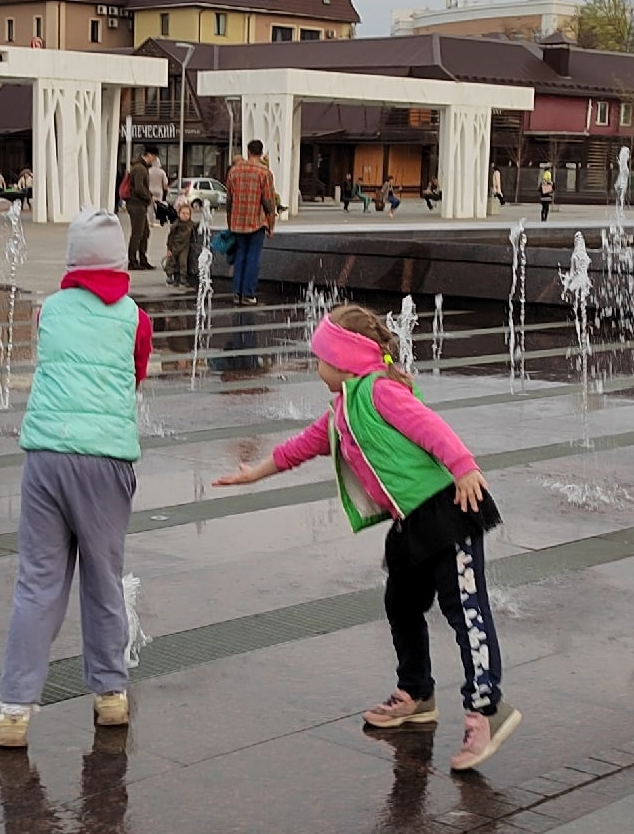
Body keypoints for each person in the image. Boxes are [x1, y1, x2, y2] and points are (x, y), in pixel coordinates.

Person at [214, 304, 519, 772]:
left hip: (447, 511)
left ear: (343, 361)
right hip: (409, 522)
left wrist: (464, 468)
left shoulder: (379, 392)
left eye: (319, 358)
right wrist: (254, 472)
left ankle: (486, 709)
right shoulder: (343, 409)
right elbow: (302, 446)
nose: (315, 367)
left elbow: (431, 427)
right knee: (401, 603)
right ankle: (416, 692)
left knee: (466, 612)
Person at [0, 210, 151, 750]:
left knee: (38, 582)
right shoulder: (135, 318)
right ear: (121, 262)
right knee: (103, 578)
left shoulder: (48, 312)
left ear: (72, 261)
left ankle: (13, 710)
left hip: (47, 458)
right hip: (106, 462)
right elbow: (136, 373)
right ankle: (109, 696)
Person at [223, 138, 277, 306]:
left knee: (240, 256)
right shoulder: (264, 173)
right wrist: (271, 224)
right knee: (253, 258)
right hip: (256, 222)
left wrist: (230, 221)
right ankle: (248, 294)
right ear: (261, 153)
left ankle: (236, 293)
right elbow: (268, 201)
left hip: (237, 222)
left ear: (248, 152)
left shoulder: (234, 171)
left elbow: (229, 200)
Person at [122, 148, 159, 270]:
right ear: (148, 155)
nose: (154, 160)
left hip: (139, 204)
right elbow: (138, 188)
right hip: (136, 204)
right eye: (154, 157)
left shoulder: (140, 167)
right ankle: (132, 261)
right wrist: (149, 197)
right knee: (138, 233)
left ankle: (142, 259)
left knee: (145, 232)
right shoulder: (139, 168)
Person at [164, 194, 207, 285]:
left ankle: (183, 277)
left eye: (188, 214)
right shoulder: (176, 225)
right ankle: (169, 275)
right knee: (171, 261)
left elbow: (197, 225)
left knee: (183, 262)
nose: (185, 215)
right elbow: (170, 236)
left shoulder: (190, 224)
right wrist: (168, 248)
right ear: (179, 214)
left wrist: (203, 222)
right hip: (175, 245)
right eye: (183, 213)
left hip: (185, 247)